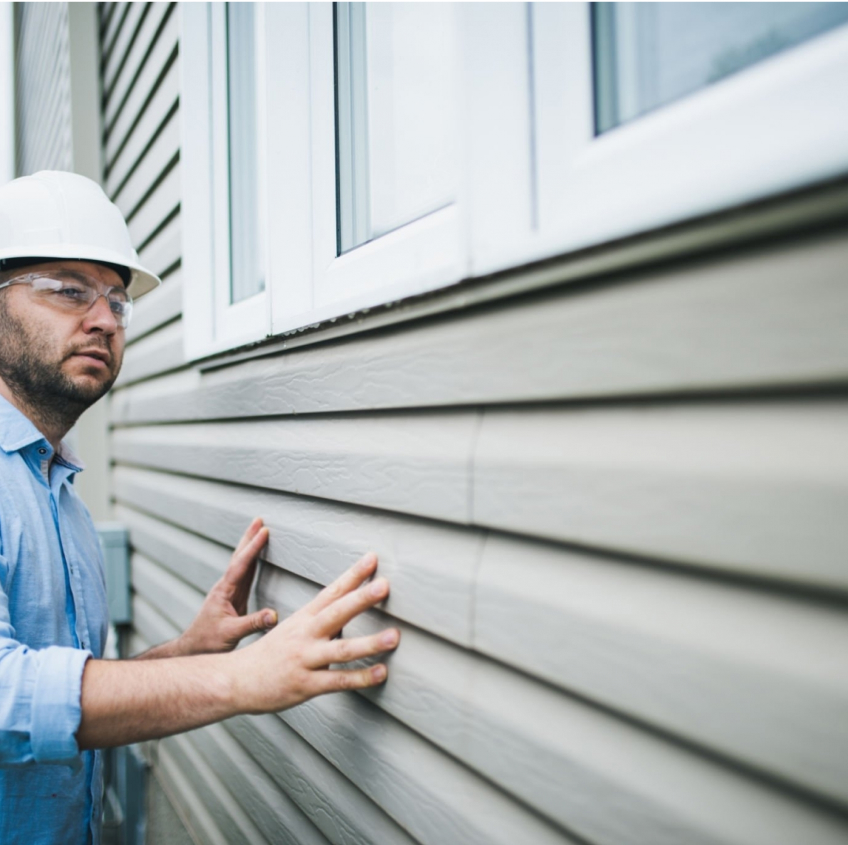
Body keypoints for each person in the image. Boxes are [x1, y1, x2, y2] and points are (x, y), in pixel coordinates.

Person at [0, 171, 400, 845]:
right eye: (69, 290)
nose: (104, 319)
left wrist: (187, 651)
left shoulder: (56, 490)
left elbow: (73, 696)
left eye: (118, 301)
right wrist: (237, 677)